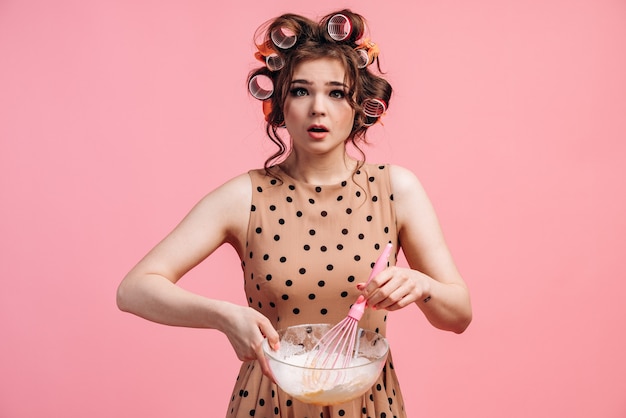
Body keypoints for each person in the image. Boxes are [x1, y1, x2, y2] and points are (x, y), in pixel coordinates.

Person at [117, 8, 472, 417]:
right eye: (301, 91)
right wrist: (224, 316)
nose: (318, 108)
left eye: (336, 93)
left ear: (360, 106)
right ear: (280, 104)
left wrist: (420, 285)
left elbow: (458, 315)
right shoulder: (245, 197)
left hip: (368, 404)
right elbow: (134, 289)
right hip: (269, 404)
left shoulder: (397, 190)